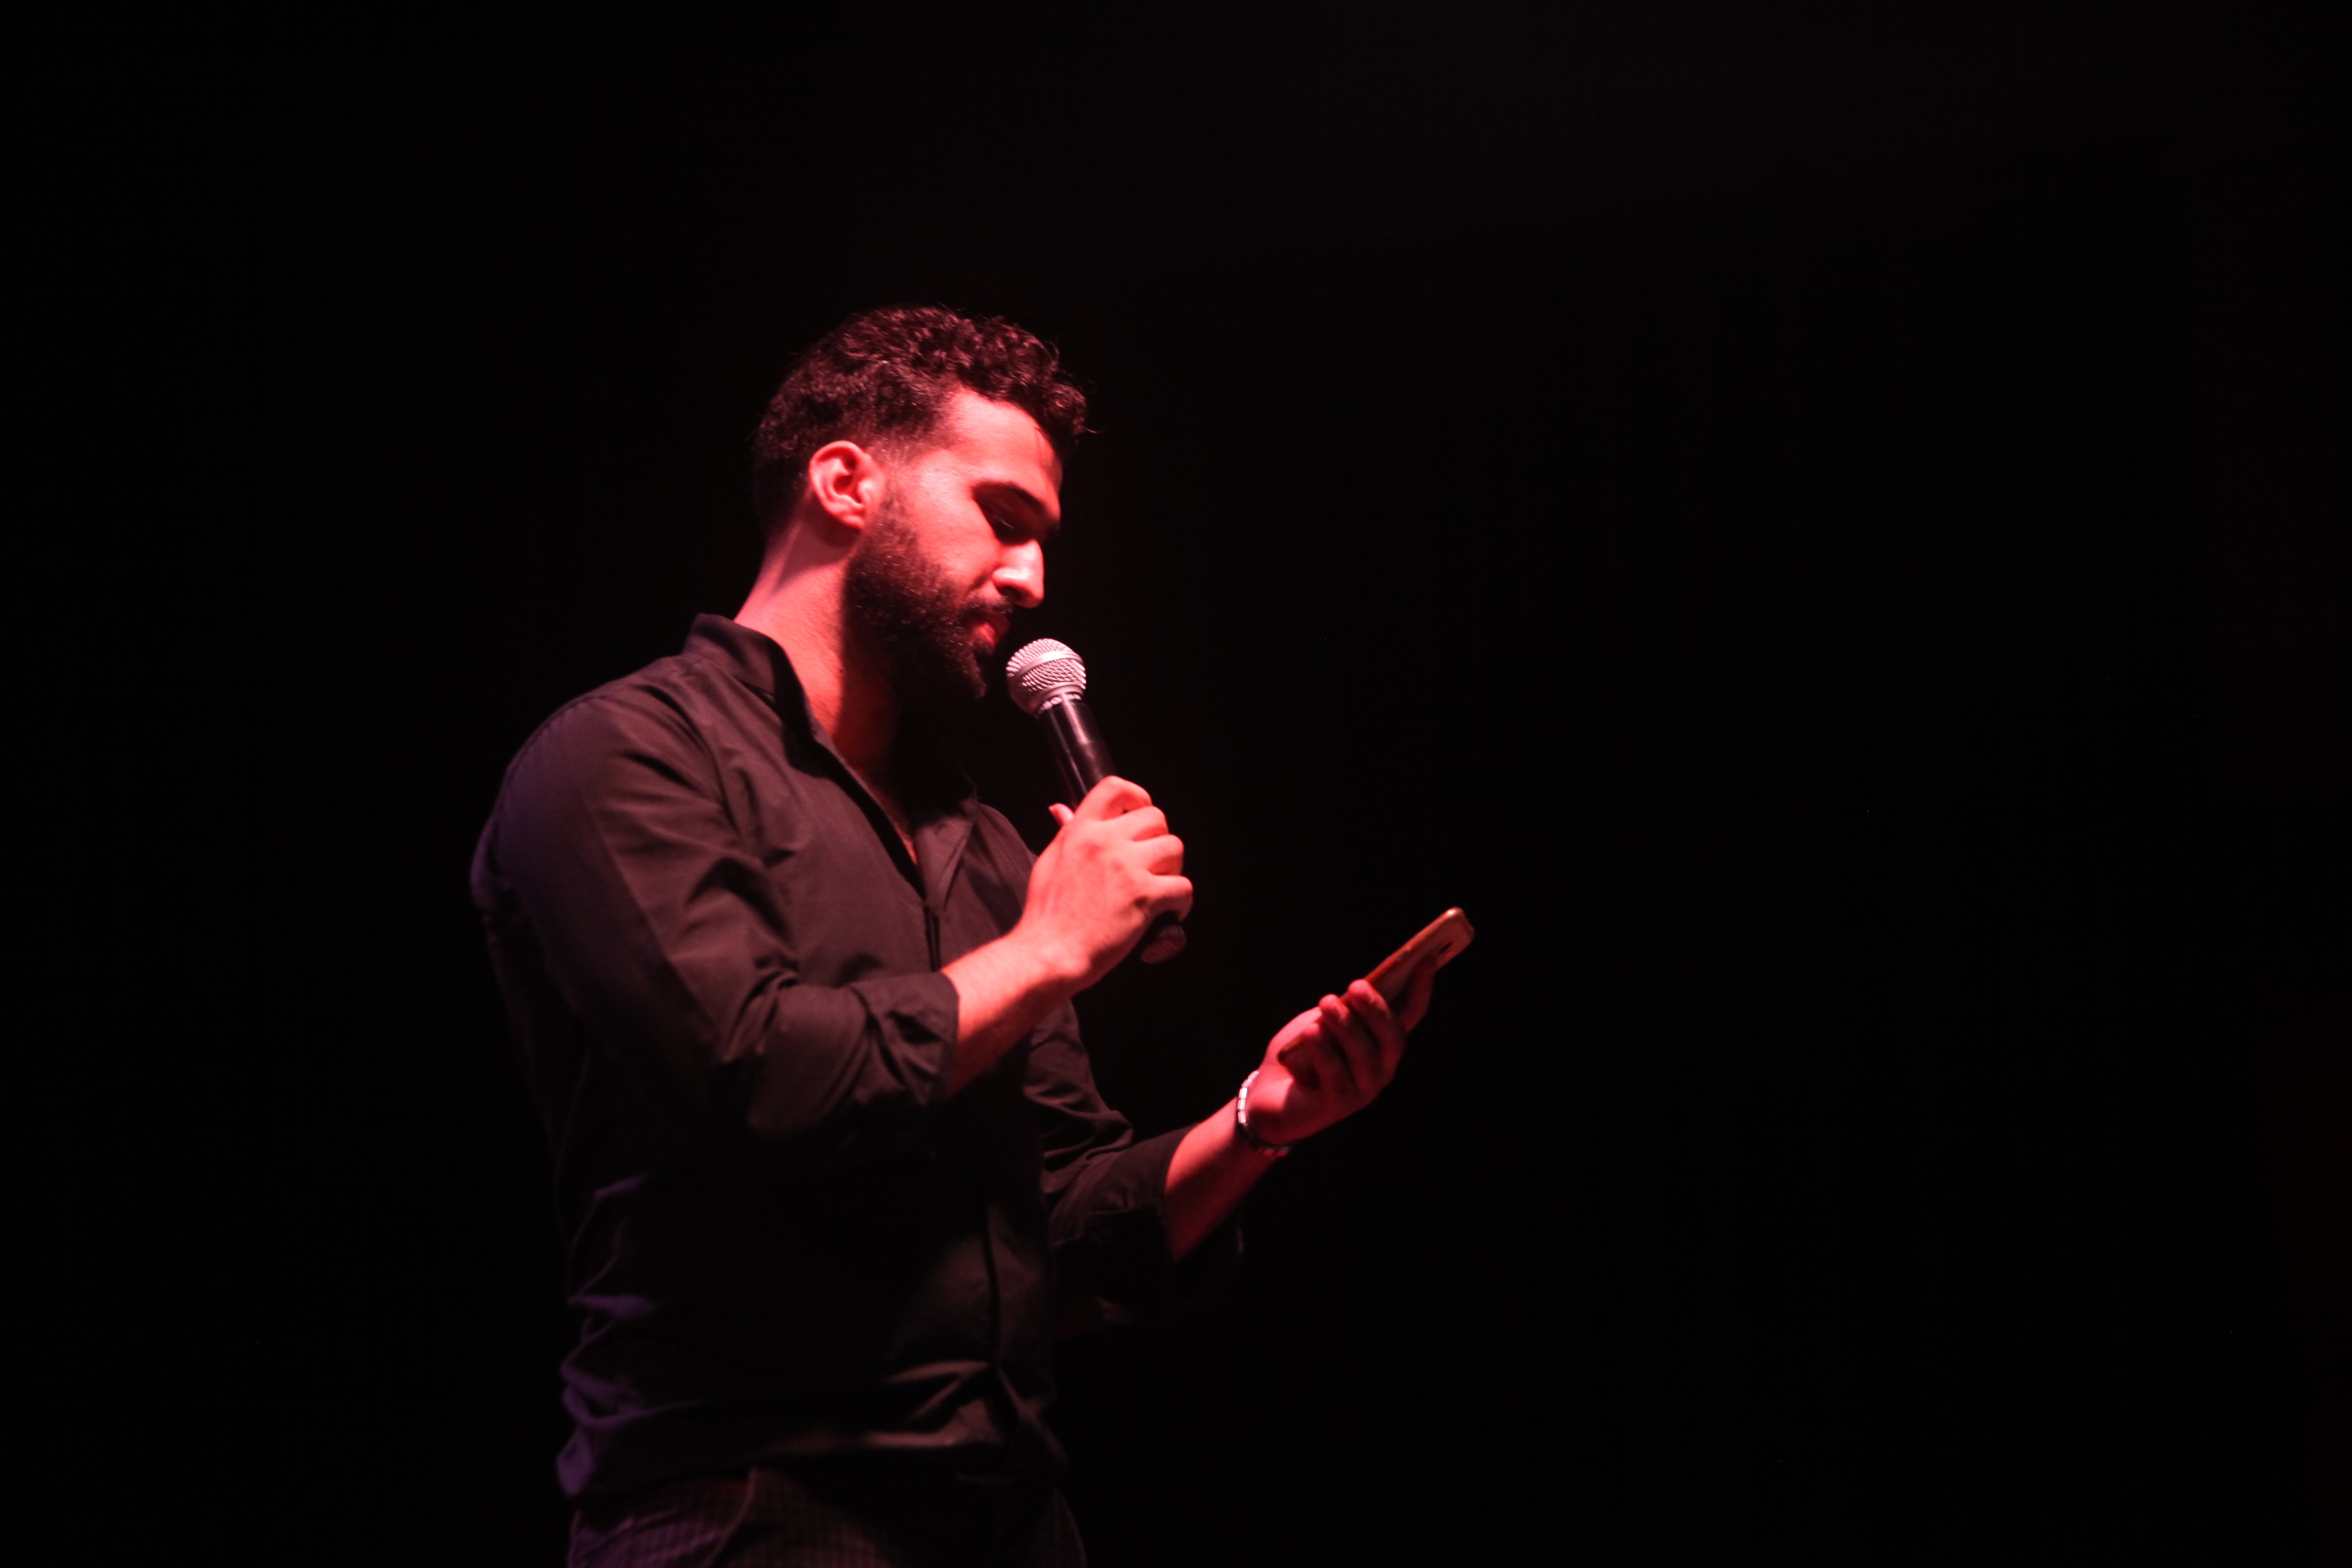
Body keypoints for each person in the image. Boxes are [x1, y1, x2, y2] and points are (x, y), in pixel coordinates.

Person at [472, 306, 1443, 1567]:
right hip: (753, 1514)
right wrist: (1047, 947)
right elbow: (755, 1084)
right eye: (1002, 516)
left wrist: (1260, 1121)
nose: (1034, 578)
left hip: (1011, 1519)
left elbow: (1059, 1218)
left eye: (1042, 537)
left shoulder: (982, 843)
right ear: (844, 482)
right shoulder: (621, 757)